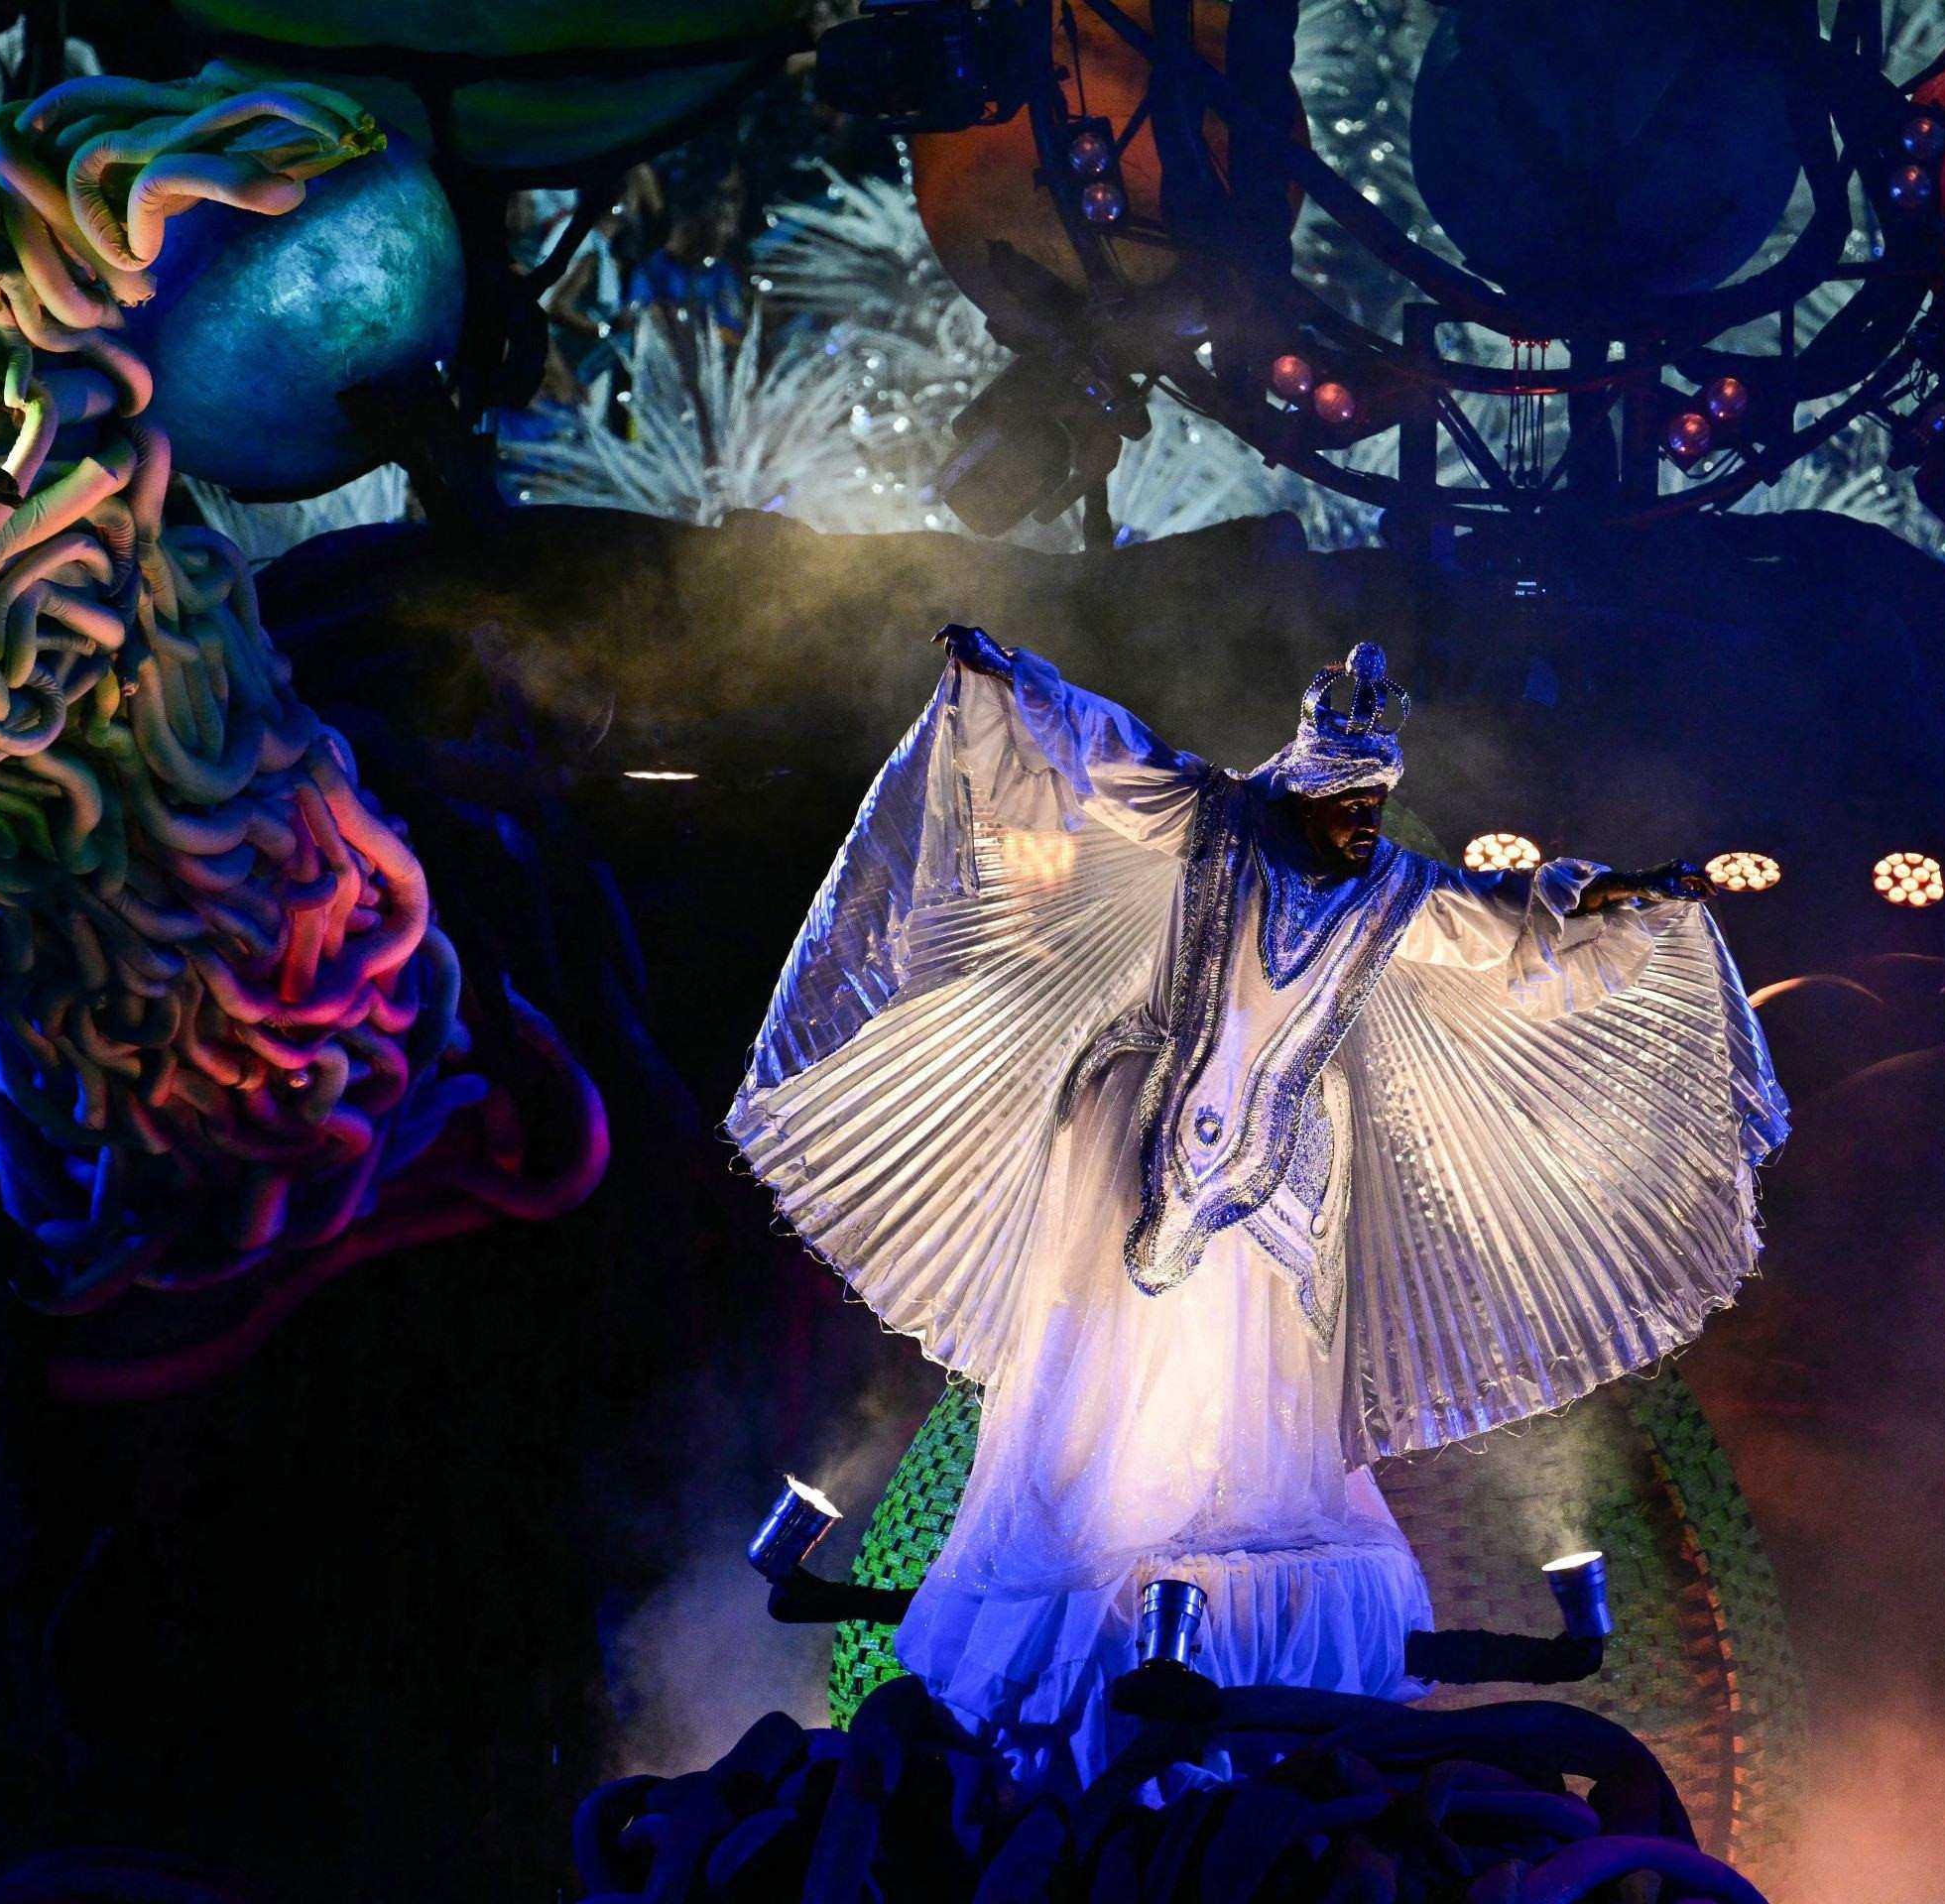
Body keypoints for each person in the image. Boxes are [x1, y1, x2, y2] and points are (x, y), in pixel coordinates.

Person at [729, 627, 1785, 1785]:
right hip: (1137, 1154)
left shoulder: (1389, 891)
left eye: (1381, 801)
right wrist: (1008, 685)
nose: (1369, 821)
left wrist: (1623, 897)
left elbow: (1505, 924)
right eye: (1351, 802)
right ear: (1305, 787)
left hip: (1287, 1183)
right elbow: (1101, 755)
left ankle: (1233, 1620)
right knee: (1104, 1391)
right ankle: (1093, 1616)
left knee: (1264, 1391)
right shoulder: (1212, 817)